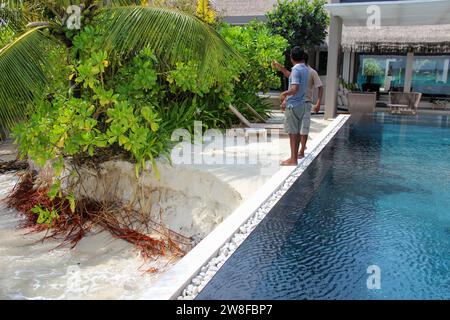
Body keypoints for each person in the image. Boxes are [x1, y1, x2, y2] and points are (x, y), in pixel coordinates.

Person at [273, 53, 323, 159]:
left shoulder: (311, 72)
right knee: (296, 128)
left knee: (303, 127)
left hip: (305, 102)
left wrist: (318, 102)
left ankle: (300, 151)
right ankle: (298, 152)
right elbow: (290, 76)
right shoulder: (300, 70)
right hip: (296, 102)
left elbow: (319, 87)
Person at [274, 47, 309, 166]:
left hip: (293, 105)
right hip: (301, 105)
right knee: (297, 132)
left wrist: (284, 94)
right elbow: (292, 77)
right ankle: (294, 157)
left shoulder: (296, 70)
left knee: (292, 133)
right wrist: (281, 68)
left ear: (291, 57)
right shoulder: (304, 68)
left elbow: (294, 89)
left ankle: (293, 159)